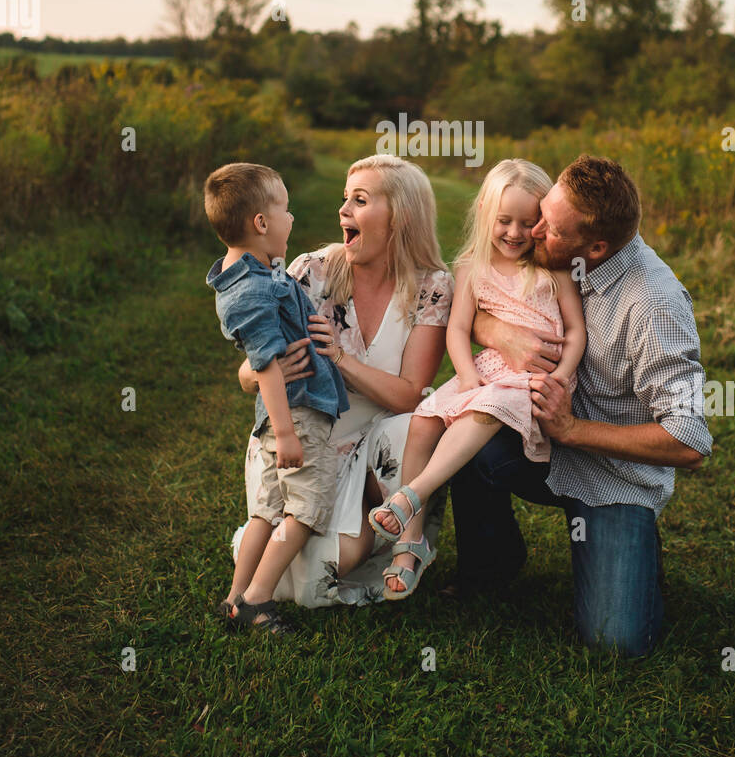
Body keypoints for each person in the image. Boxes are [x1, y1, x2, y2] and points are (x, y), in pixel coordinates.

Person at [449, 154, 713, 657]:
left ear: (596, 247)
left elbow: (690, 440)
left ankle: (635, 551)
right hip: (542, 441)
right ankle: (493, 566)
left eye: (548, 227)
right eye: (540, 212)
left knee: (616, 641)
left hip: (612, 473)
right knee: (466, 436)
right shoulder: (559, 255)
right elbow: (473, 302)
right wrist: (496, 330)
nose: (534, 229)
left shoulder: (653, 304)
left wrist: (571, 429)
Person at [231, 154, 453, 607]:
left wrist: (340, 358)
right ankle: (259, 577)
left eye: (361, 200)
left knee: (425, 424)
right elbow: (246, 373)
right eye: (345, 199)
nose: (343, 210)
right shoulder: (310, 272)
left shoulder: (432, 286)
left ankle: (389, 533)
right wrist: (263, 373)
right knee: (305, 581)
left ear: (400, 216)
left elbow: (409, 393)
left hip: (377, 437)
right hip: (306, 434)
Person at [369, 159, 586, 599]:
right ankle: (410, 545)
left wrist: (562, 376)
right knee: (425, 419)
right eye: (504, 220)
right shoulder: (471, 266)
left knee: (482, 410)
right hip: (486, 374)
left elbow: (576, 329)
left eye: (528, 222)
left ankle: (413, 492)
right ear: (486, 213)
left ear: (543, 221)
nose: (514, 232)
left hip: (534, 381)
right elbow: (456, 328)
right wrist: (466, 375)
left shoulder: (553, 267)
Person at [205, 162, 349, 635]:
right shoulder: (250, 288)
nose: (292, 218)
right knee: (304, 509)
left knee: (264, 511)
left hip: (284, 413)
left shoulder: (254, 271)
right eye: (285, 210)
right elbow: (266, 362)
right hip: (297, 413)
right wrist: (287, 433)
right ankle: (257, 600)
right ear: (261, 224)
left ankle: (232, 599)